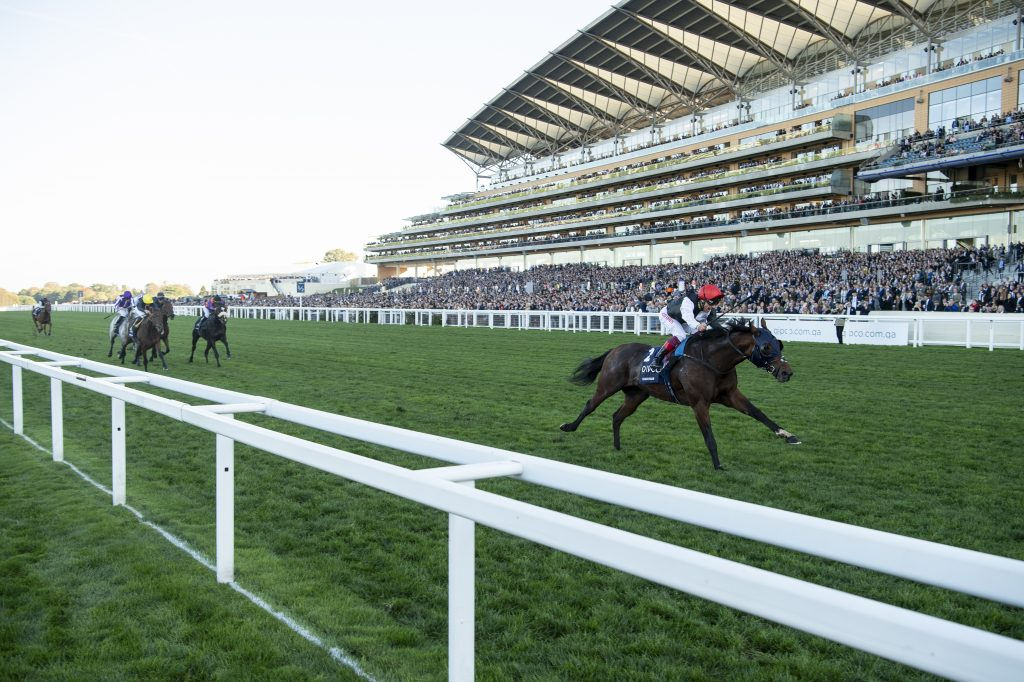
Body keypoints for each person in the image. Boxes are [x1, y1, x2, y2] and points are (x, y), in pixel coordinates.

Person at [652, 284, 724, 366]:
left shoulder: (709, 309)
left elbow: (714, 323)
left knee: (702, 333)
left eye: (715, 304)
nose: (712, 307)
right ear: (703, 300)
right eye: (711, 304)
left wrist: (725, 331)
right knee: (680, 335)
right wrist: (698, 326)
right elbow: (687, 317)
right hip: (668, 315)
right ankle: (657, 358)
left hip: (682, 320)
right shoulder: (689, 300)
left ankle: (692, 355)